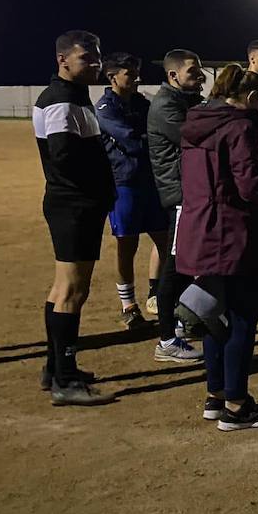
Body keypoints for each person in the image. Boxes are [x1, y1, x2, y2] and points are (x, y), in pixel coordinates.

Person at [178, 64, 258, 429]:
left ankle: (216, 394)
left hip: (201, 231)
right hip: (236, 234)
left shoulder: (195, 123)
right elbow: (250, 188)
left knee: (214, 318)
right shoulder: (240, 127)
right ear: (252, 99)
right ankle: (237, 406)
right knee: (242, 320)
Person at [34, 31, 118, 405]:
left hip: (76, 203)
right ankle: (65, 381)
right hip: (74, 204)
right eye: (87, 58)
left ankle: (55, 368)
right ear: (62, 60)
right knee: (72, 290)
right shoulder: (59, 101)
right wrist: (99, 184)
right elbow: (64, 156)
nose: (95, 64)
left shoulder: (74, 97)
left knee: (62, 289)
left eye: (98, 57)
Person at [96, 53, 169, 330]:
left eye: (137, 71)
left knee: (165, 239)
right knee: (127, 245)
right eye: (130, 73)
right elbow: (131, 141)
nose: (137, 77)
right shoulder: (104, 107)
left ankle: (156, 293)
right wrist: (157, 141)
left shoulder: (141, 103)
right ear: (113, 76)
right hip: (123, 184)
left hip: (150, 182)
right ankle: (128, 306)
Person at [148, 49, 206, 363]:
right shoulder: (166, 105)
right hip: (181, 197)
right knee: (177, 267)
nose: (201, 77)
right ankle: (167, 340)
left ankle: (181, 325)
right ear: (173, 75)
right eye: (194, 72)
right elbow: (197, 137)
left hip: (193, 195)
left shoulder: (186, 100)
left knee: (190, 265)